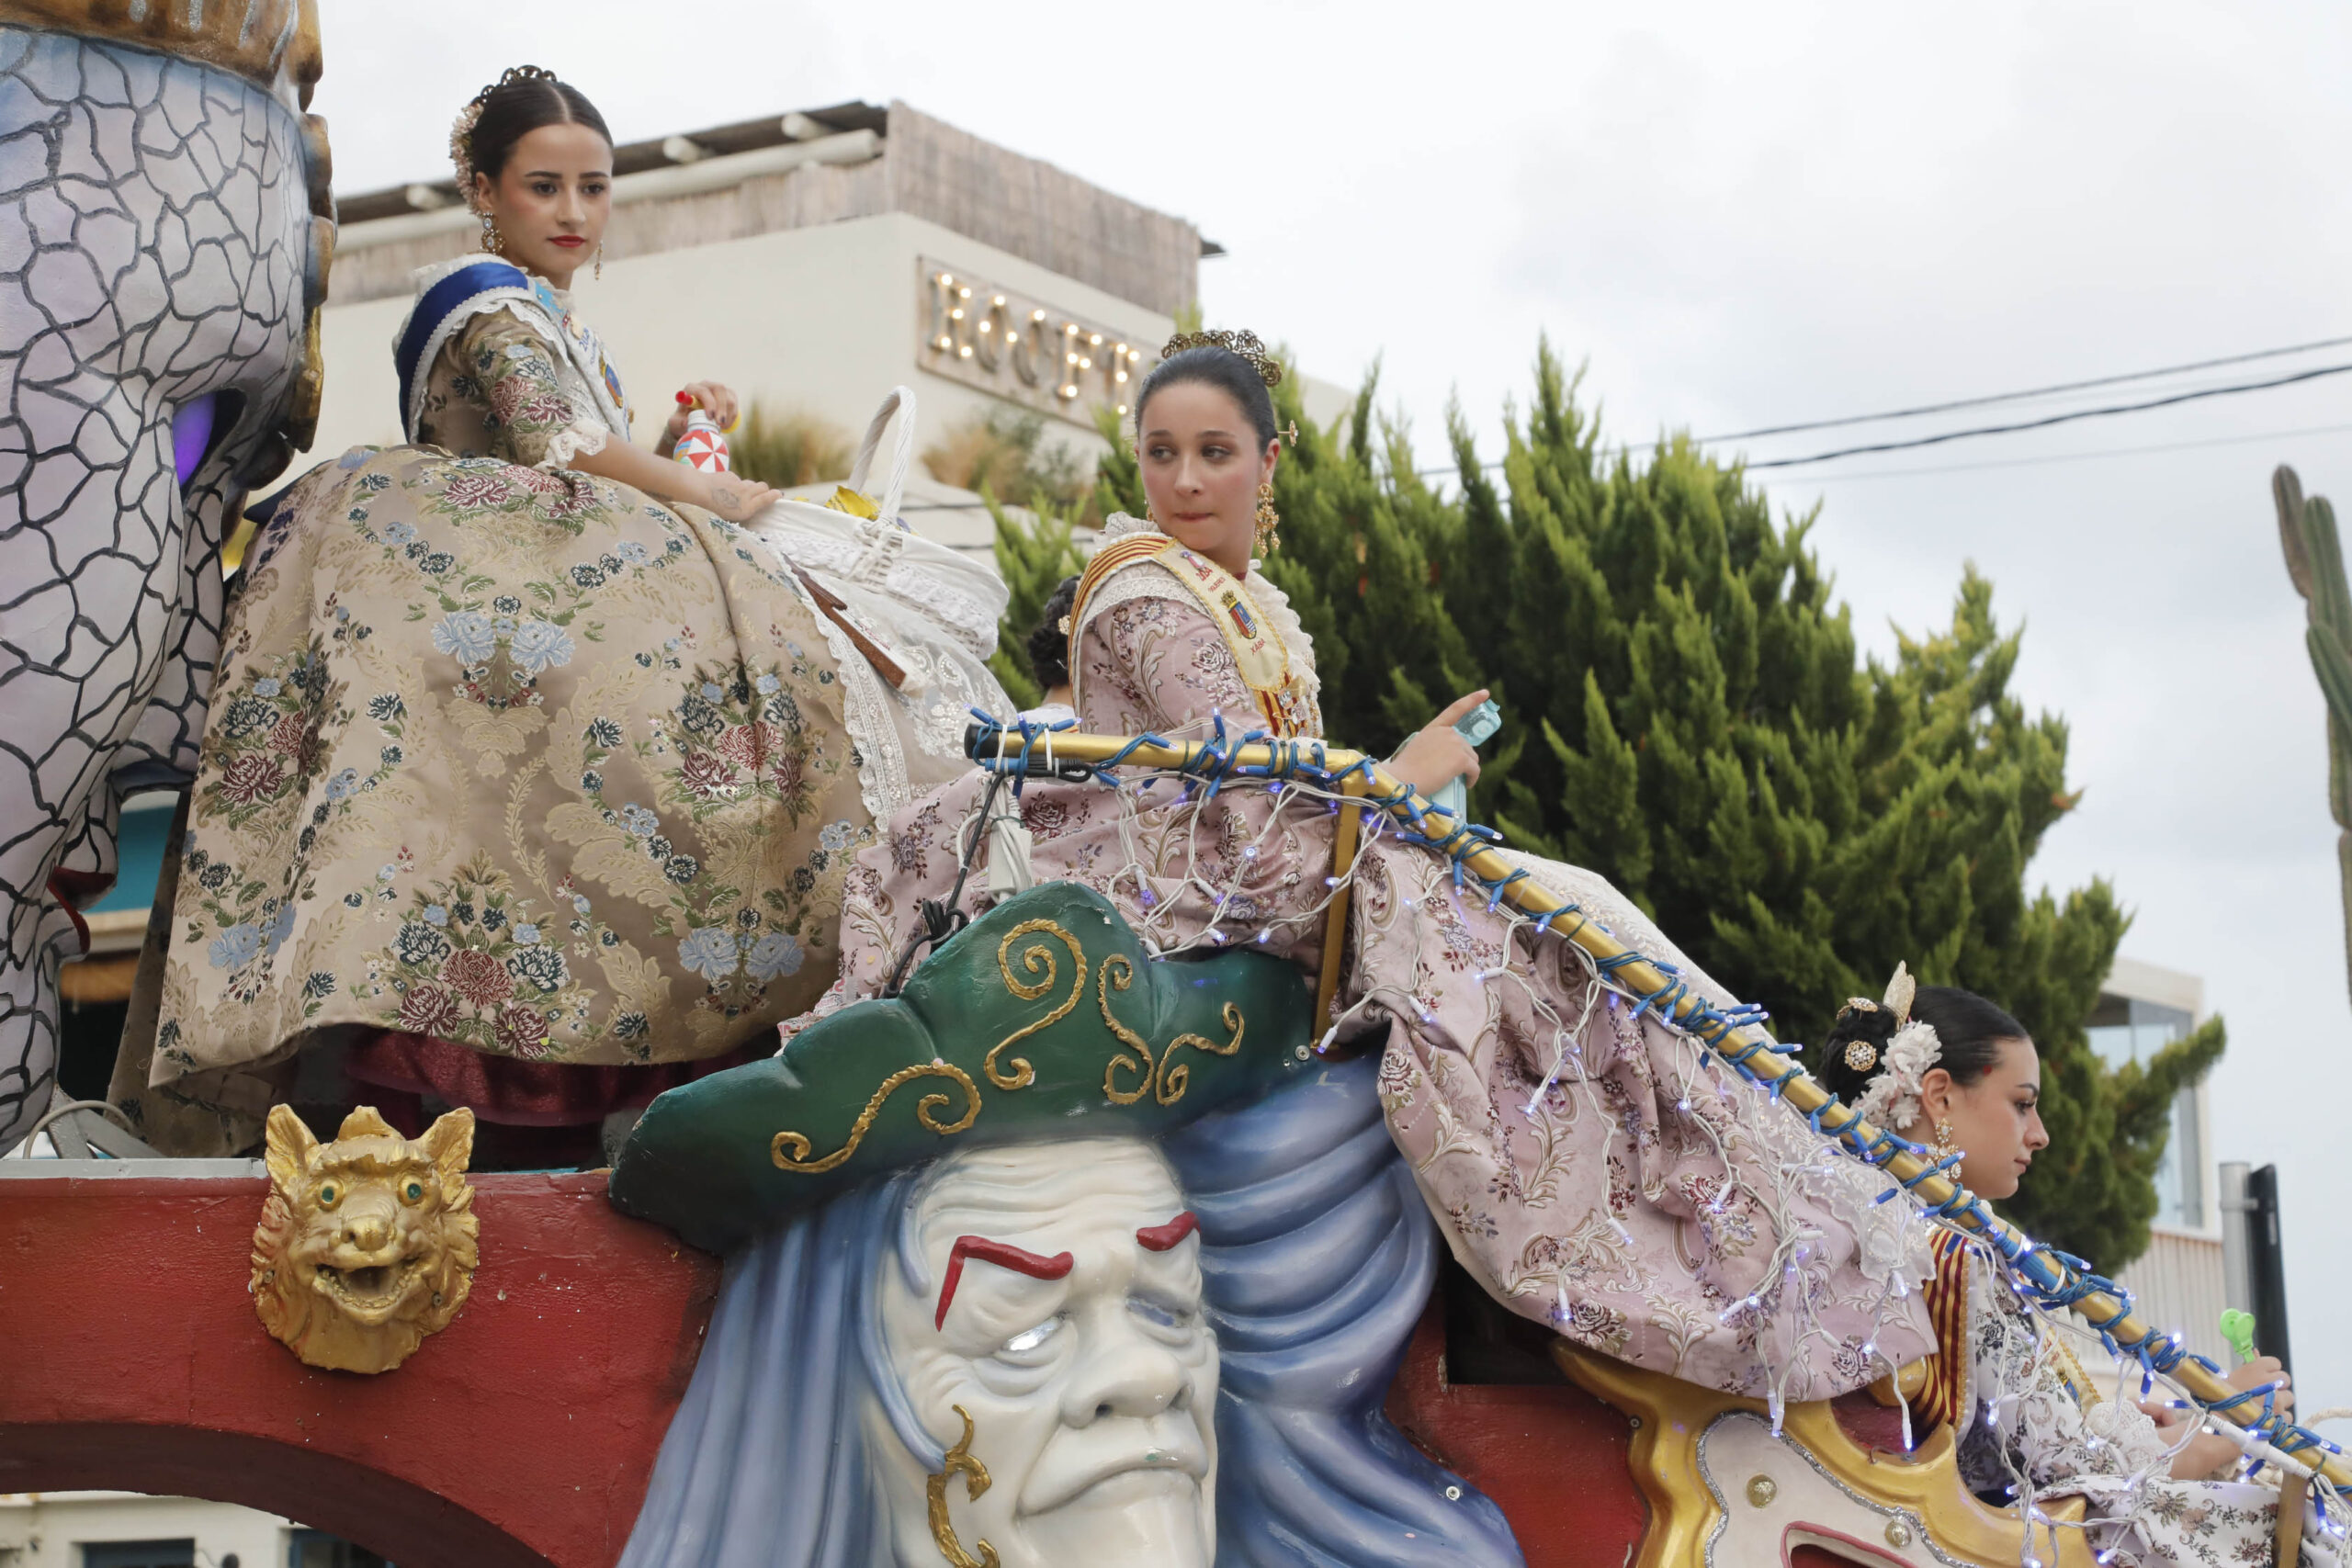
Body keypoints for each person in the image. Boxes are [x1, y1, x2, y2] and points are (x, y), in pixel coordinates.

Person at [799, 327, 1941, 1402]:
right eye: (1161, 455)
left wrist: (1399, 785)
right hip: (1175, 880)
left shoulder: (1237, 602)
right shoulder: (1146, 591)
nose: (1186, 481)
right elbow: (1244, 817)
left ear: (1266, 462)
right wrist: (1402, 777)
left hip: (1253, 858)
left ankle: (1740, 1196)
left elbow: (1276, 798)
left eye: (1213, 453)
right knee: (1531, 915)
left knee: (1563, 903)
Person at [145, 66, 1000, 1162]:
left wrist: (688, 433)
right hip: (485, 587)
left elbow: (601, 455)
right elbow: (566, 444)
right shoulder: (482, 297)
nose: (574, 214)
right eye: (545, 187)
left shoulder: (560, 322)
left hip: (546, 594)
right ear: (485, 190)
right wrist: (713, 493)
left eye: (593, 190)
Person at [1815, 976, 2308, 1567]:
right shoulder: (1950, 1254)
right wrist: (2229, 1426)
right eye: (2022, 1104)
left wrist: (2193, 1422)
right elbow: (2084, 1475)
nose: (2040, 1134)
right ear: (1939, 1095)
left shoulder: (1902, 1234)